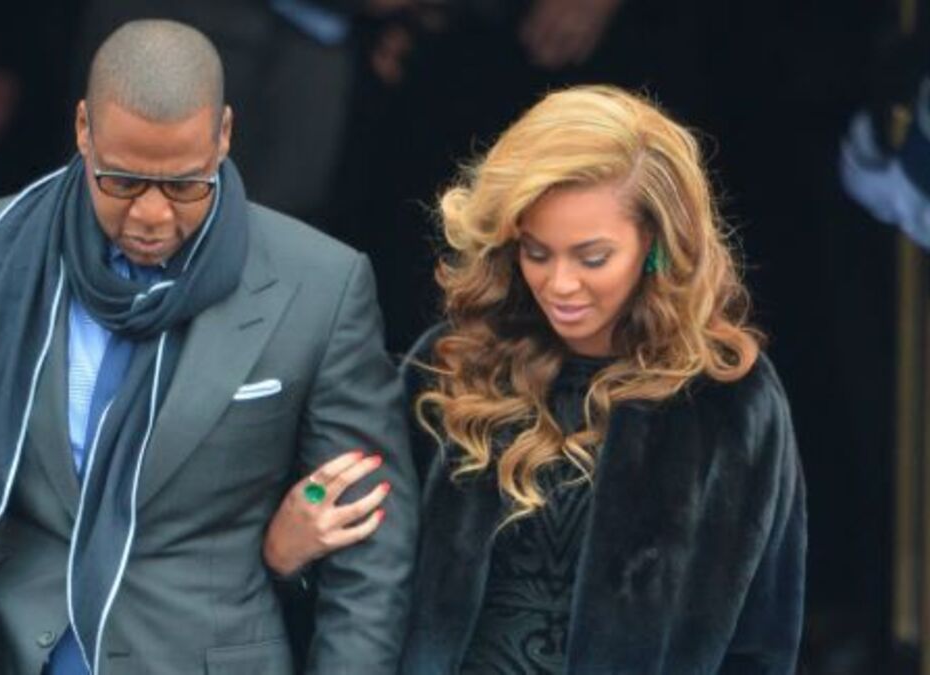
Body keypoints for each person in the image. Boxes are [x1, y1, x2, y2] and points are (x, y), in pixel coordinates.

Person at [0, 19, 417, 675]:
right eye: (122, 182)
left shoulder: (320, 285)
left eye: (184, 185)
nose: (151, 216)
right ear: (83, 130)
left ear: (223, 136)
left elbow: (371, 554)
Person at [264, 85, 806, 673]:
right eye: (537, 252)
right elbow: (363, 591)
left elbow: (762, 638)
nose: (560, 284)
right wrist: (290, 558)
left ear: (656, 242)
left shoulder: (727, 395)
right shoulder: (450, 365)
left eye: (592, 257)